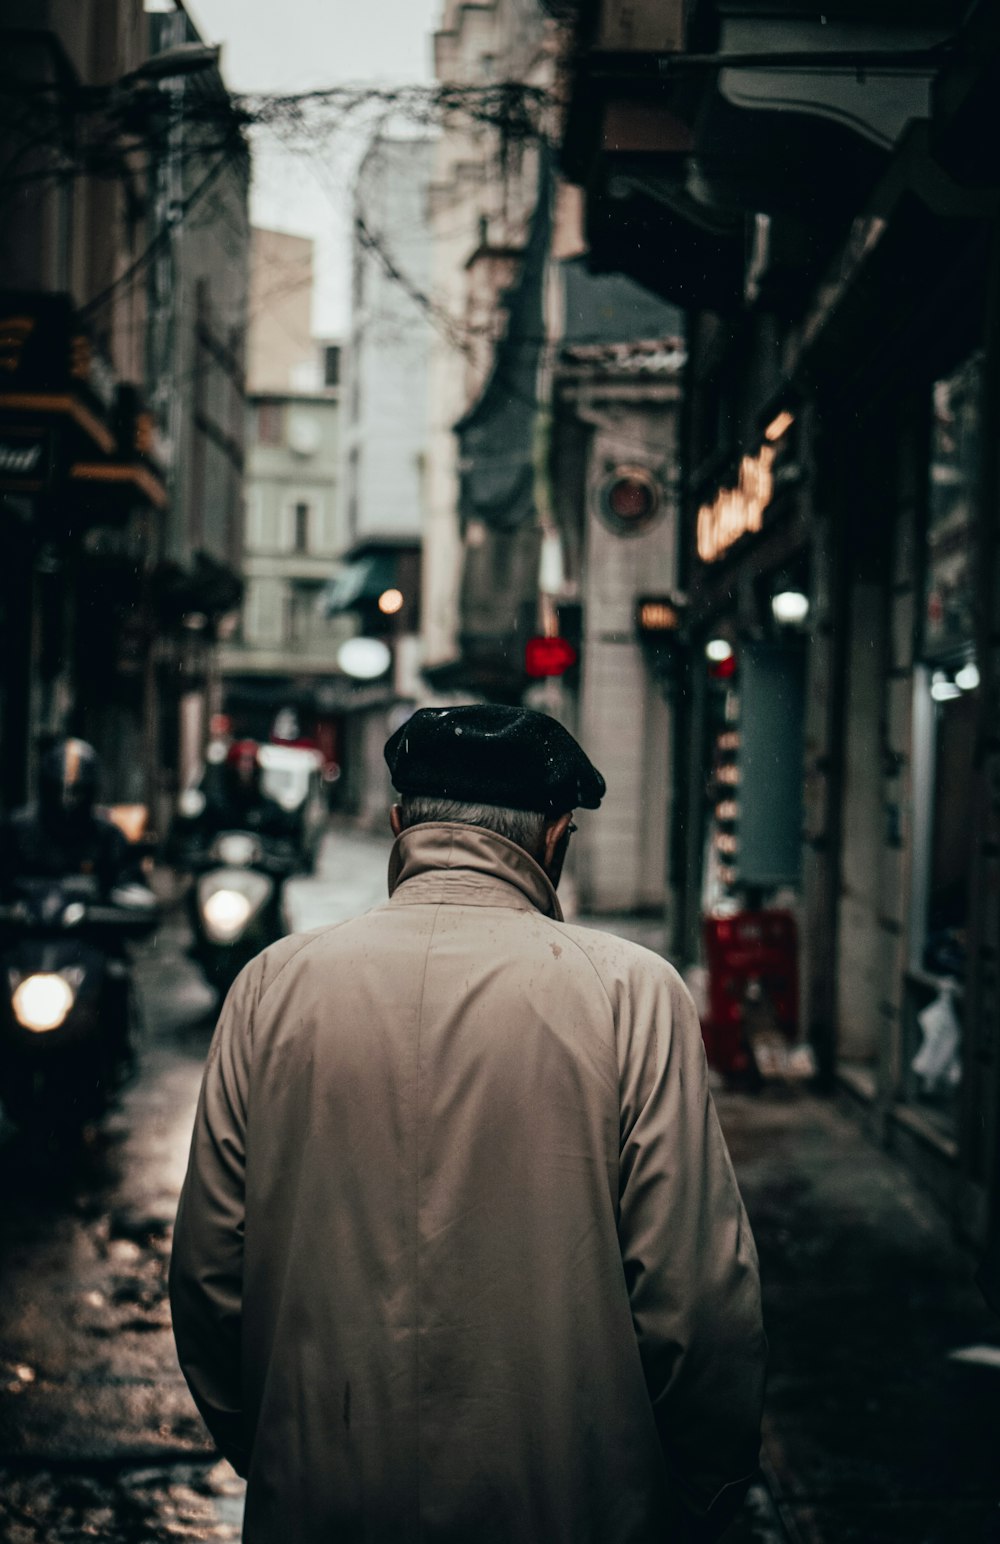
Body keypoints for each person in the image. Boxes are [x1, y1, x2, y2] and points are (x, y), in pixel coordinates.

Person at [170, 704, 767, 1544]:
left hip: (320, 1501)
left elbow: (207, 1278)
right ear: (555, 835)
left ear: (397, 825)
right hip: (574, 1508)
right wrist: (700, 1486)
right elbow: (695, 1300)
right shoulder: (633, 995)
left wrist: (286, 1447)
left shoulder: (274, 986)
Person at [0, 737, 139, 896]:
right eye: (58, 790)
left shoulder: (109, 838)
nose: (67, 801)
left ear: (91, 792)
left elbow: (131, 890)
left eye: (77, 792)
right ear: (45, 788)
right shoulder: (16, 830)